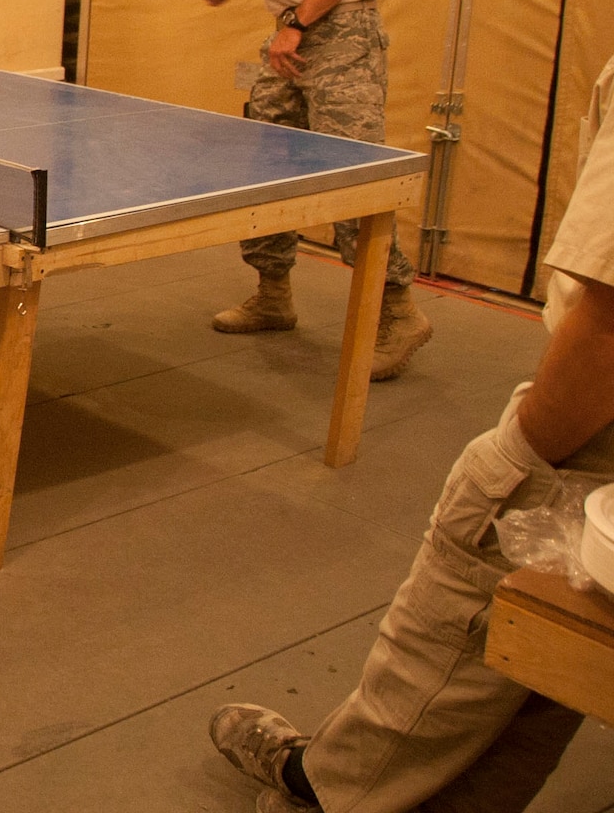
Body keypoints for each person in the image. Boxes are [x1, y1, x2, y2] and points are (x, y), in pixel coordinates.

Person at [208, 45, 614, 810]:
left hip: (591, 440)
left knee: (457, 626)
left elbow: (609, 325)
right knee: (559, 660)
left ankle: (322, 786)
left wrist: (517, 457)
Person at [200, 0, 430, 379]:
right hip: (288, 34)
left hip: (342, 34)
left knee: (355, 178)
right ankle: (273, 296)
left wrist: (296, 23)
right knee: (265, 172)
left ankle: (398, 312)